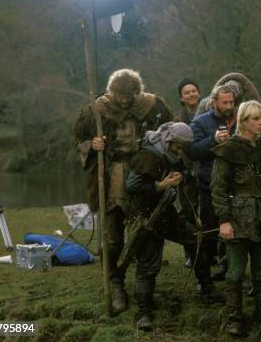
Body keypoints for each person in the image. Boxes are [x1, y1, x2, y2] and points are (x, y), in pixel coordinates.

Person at [74, 68, 172, 315]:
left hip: (144, 169)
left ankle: (142, 282)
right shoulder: (97, 109)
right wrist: (91, 144)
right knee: (114, 232)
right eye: (121, 97)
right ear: (113, 93)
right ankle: (115, 281)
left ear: (136, 93)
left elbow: (171, 131)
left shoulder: (153, 106)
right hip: (114, 172)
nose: (125, 101)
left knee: (144, 227)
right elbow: (79, 138)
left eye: (130, 96)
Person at [211, 100, 261, 335]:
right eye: (255, 119)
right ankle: (234, 318)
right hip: (236, 218)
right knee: (235, 272)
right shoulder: (228, 150)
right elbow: (219, 189)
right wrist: (224, 220)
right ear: (243, 122)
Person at [125, 122, 196, 331]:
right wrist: (160, 185)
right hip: (146, 217)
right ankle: (143, 313)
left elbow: (182, 172)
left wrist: (179, 178)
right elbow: (132, 186)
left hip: (167, 212)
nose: (181, 151)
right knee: (148, 266)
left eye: (184, 148)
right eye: (179, 147)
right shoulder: (148, 155)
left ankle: (206, 289)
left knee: (197, 237)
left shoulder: (173, 154)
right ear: (169, 141)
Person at [186, 83, 237, 298]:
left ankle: (231, 275)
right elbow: (192, 152)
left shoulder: (240, 119)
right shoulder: (199, 122)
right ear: (213, 102)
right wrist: (213, 140)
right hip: (208, 187)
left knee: (236, 235)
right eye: (224, 102)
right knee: (208, 235)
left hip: (236, 186)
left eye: (231, 102)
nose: (228, 106)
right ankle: (204, 281)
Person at [173, 78, 201, 268]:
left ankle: (210, 252)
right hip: (187, 172)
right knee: (188, 212)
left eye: (193, 91)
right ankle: (190, 253)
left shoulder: (208, 112)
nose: (191, 95)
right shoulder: (177, 119)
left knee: (209, 212)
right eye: (187, 93)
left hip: (206, 169)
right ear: (182, 98)